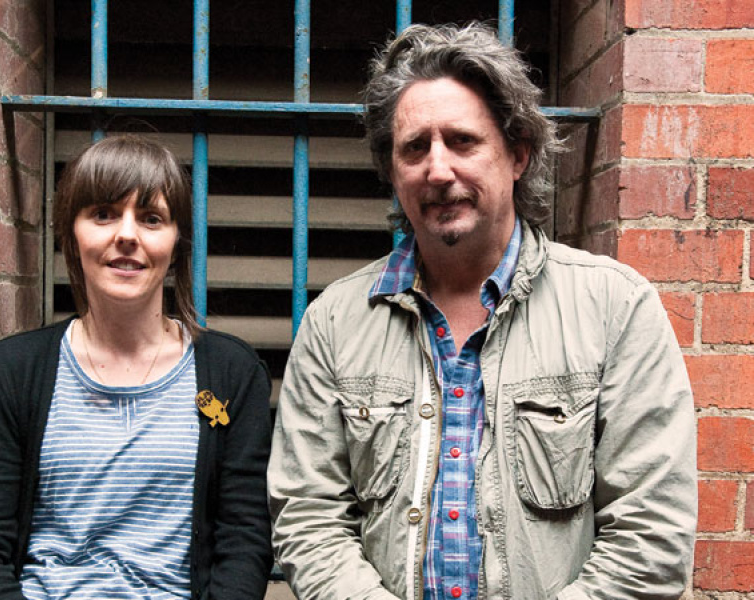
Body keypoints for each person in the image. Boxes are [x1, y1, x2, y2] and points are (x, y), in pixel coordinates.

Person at [268, 22, 696, 600]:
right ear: (392, 171)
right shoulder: (335, 323)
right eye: (414, 148)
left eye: (462, 141)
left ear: (518, 154)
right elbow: (308, 518)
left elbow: (652, 537)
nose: (438, 170)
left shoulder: (615, 308)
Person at [0, 135, 273, 600]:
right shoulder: (11, 372)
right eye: (103, 214)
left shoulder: (232, 373)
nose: (127, 235)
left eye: (151, 218)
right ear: (71, 234)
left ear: (177, 243)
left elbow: (244, 545)